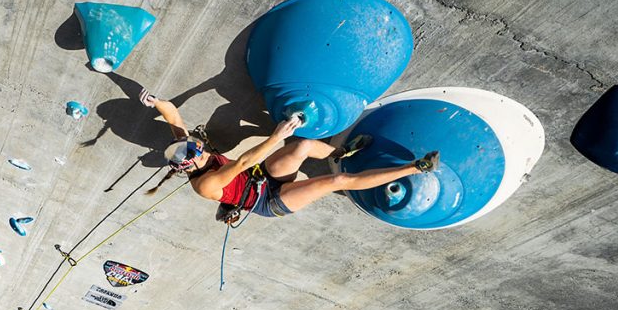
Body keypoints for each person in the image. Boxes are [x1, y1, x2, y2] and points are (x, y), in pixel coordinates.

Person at [139, 89, 439, 223]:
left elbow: (173, 118)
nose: (201, 146)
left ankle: (343, 150)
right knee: (336, 180)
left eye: (197, 144)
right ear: (190, 164)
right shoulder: (204, 185)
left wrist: (156, 101)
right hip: (266, 200)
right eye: (198, 150)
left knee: (304, 146)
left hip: (259, 178)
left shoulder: (186, 149)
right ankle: (415, 168)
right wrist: (276, 136)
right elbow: (244, 161)